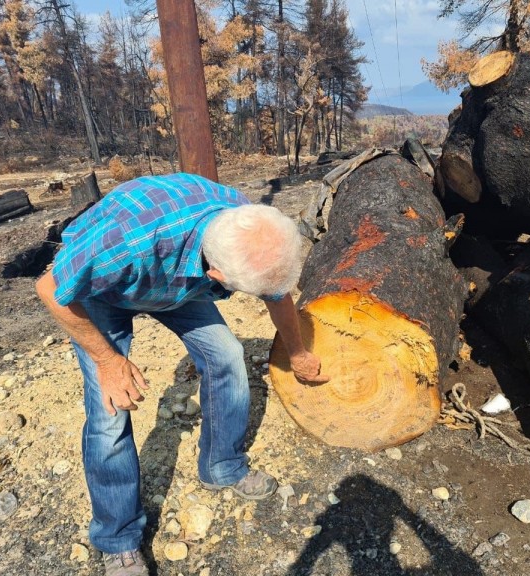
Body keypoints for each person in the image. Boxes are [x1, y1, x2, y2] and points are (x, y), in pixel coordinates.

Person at [35, 172, 329, 576]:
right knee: (110, 411)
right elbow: (50, 289)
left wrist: (297, 351)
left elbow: (277, 292)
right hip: (103, 291)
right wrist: (108, 361)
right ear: (218, 277)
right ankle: (118, 539)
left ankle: (221, 466)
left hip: (176, 283)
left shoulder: (250, 228)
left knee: (227, 354)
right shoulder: (125, 242)